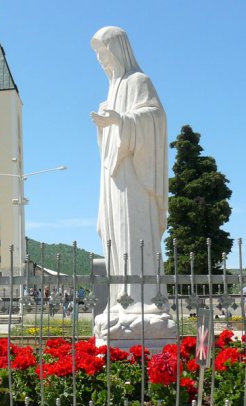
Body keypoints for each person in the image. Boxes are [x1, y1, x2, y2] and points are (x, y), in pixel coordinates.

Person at [89, 27, 168, 314]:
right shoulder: (112, 89)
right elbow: (108, 141)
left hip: (134, 177)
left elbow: (155, 118)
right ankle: (121, 300)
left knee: (134, 234)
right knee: (113, 234)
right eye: (97, 54)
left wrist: (120, 120)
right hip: (113, 177)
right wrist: (106, 124)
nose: (100, 59)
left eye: (103, 52)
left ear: (118, 49)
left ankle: (144, 301)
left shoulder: (138, 81)